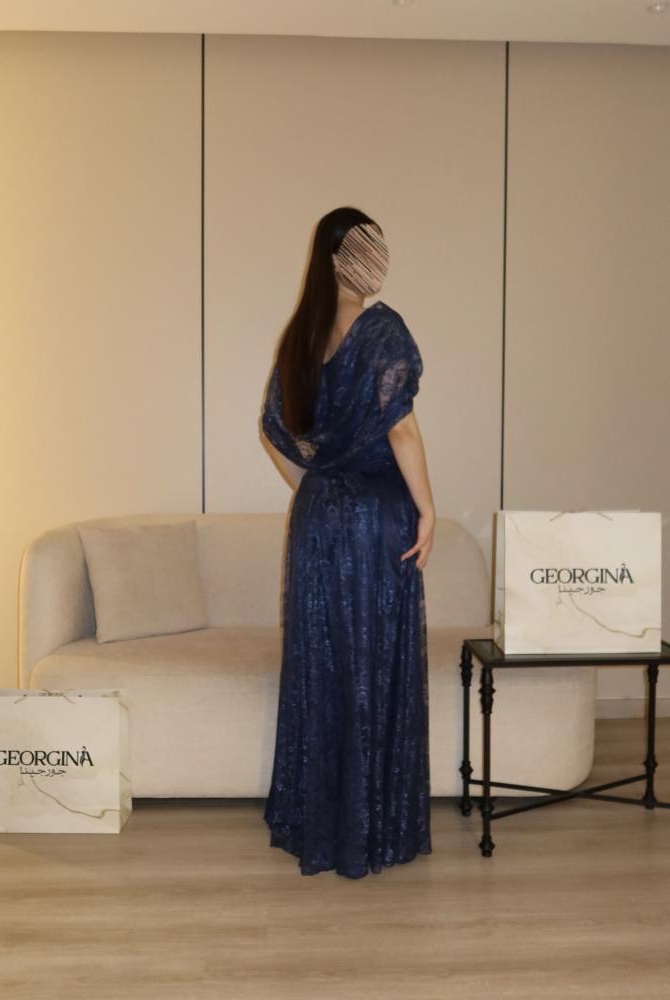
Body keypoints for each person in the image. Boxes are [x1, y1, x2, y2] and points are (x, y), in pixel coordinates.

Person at [260, 206, 437, 878]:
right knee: (373, 663)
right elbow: (403, 430)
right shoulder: (382, 329)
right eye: (367, 248)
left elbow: (276, 434)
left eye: (380, 248)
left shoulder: (301, 339)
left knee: (323, 665)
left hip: (318, 519)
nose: (379, 261)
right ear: (338, 260)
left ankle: (322, 825)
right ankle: (373, 829)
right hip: (375, 520)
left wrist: (316, 488)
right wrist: (427, 508)